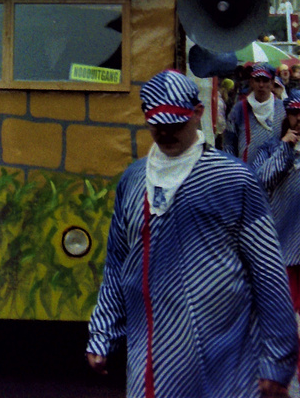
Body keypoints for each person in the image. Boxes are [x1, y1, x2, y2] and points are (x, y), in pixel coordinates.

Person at [86, 69, 297, 398]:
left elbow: (267, 271)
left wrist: (277, 360)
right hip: (150, 359)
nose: (166, 133)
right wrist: (103, 331)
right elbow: (117, 262)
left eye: (175, 124)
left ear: (197, 114)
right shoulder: (133, 181)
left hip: (225, 363)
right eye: (158, 125)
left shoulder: (233, 180)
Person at [253, 93, 300, 380]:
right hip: (281, 249)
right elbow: (260, 182)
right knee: (283, 315)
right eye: (295, 113)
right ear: (287, 116)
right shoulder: (271, 148)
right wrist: (284, 151)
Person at [223, 64, 284, 163]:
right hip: (246, 172)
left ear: (272, 83)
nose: (261, 85)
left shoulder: (282, 109)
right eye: (257, 80)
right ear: (251, 82)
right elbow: (229, 143)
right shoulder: (239, 109)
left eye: (265, 80)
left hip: (275, 170)